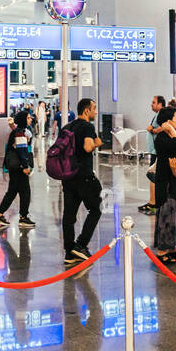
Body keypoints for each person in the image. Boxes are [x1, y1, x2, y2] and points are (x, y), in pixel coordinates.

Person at [61, 98, 103, 265]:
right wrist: (96, 143)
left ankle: (69, 252)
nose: (96, 112)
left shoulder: (67, 127)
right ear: (86, 111)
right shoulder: (87, 126)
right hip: (84, 176)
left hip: (68, 177)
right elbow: (87, 147)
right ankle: (81, 244)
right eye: (94, 108)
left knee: (69, 215)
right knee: (95, 209)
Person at [150, 106, 176, 264]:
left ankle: (172, 247)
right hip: (166, 183)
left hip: (175, 181)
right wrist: (171, 130)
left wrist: (173, 130)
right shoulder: (162, 139)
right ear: (168, 122)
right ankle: (163, 249)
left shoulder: (172, 135)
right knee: (166, 215)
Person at [0, 110, 36, 228]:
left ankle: (0, 214)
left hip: (14, 167)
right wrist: (25, 166)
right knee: (25, 192)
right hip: (19, 168)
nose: (30, 119)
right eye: (28, 118)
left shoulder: (18, 132)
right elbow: (22, 151)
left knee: (13, 191)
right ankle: (23, 217)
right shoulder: (20, 133)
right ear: (23, 119)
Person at [138, 94, 165, 215]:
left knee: (152, 175)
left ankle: (154, 202)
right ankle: (153, 201)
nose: (151, 104)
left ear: (160, 104)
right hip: (154, 151)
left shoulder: (162, 115)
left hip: (157, 151)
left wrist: (152, 130)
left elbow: (164, 127)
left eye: (154, 102)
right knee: (153, 175)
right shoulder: (157, 115)